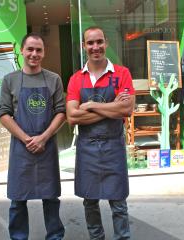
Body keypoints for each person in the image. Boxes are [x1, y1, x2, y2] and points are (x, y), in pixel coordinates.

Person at [66, 26, 135, 240]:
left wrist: (91, 105)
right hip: (87, 147)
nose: (95, 47)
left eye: (99, 42)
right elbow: (72, 117)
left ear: (106, 43)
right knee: (90, 201)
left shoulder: (121, 74)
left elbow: (126, 110)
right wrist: (111, 107)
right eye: (90, 43)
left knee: (118, 202)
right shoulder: (76, 79)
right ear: (83, 46)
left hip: (113, 146)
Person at [0, 32, 66, 240]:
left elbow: (61, 112)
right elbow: (3, 113)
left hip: (47, 147)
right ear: (22, 51)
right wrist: (27, 139)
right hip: (21, 148)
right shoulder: (10, 80)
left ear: (44, 53)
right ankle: (18, 237)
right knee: (18, 200)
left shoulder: (54, 79)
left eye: (39, 50)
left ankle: (55, 236)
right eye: (30, 49)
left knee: (51, 198)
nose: (34, 54)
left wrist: (43, 137)